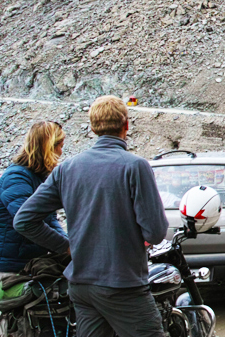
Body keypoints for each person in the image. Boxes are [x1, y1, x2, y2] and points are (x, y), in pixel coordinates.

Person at [14, 95, 169, 337]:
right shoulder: (135, 166)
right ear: (126, 124)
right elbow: (156, 232)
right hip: (122, 284)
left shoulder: (67, 168)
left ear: (93, 127)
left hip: (82, 285)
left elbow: (24, 220)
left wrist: (66, 247)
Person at [0, 122, 67, 337]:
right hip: (4, 270)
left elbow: (49, 219)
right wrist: (66, 247)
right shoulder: (16, 178)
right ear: (48, 147)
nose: (61, 152)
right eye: (59, 146)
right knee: (2, 327)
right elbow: (28, 223)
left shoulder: (36, 178)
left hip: (25, 268)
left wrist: (68, 242)